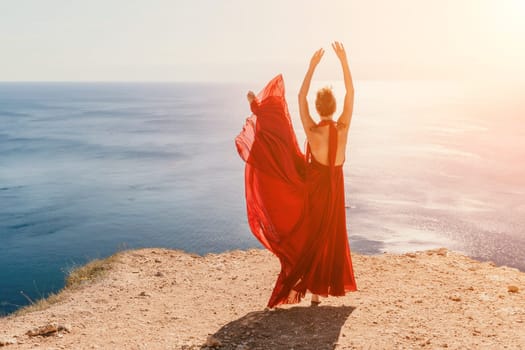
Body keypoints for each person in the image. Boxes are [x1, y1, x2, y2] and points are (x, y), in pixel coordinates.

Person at [236, 41, 357, 308]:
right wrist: (344, 62)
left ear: (318, 106)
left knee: (312, 233)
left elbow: (300, 98)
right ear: (335, 106)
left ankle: (261, 111)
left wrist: (312, 66)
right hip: (335, 186)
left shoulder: (313, 130)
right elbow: (351, 92)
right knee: (330, 234)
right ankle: (317, 292)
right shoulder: (344, 127)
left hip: (313, 186)